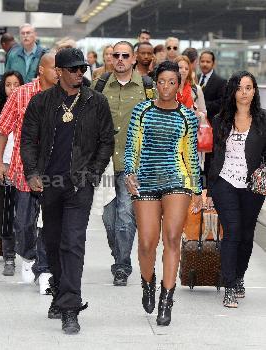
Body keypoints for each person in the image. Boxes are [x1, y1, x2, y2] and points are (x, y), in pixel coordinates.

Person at [21, 48, 114, 334]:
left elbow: (106, 141)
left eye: (82, 68)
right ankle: (60, 292)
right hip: (49, 184)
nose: (79, 73)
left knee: (73, 243)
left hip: (79, 185)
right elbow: (28, 140)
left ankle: (70, 308)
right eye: (73, 69)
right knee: (52, 242)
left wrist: (92, 174)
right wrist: (33, 173)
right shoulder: (41, 102)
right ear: (58, 71)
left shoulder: (95, 102)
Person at [124, 61, 202, 326]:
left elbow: (191, 155)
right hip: (145, 179)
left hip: (177, 179)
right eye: (161, 82)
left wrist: (198, 189)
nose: (166, 87)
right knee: (147, 242)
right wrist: (128, 173)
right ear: (154, 84)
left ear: (178, 85)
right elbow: (131, 146)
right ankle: (148, 283)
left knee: (171, 237)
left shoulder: (187, 115)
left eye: (172, 82)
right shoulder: (142, 111)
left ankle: (166, 300)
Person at [0, 53, 58, 293]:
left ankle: (44, 269)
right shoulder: (21, 94)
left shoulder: (67, 96)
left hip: (55, 171)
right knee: (22, 223)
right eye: (55, 68)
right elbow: (2, 129)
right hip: (23, 169)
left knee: (51, 223)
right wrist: (0, 163)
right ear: (41, 70)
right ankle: (29, 256)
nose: (59, 72)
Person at [92, 41, 152, 287]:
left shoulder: (147, 88)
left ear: (134, 58)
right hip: (105, 163)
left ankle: (122, 266)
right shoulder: (100, 85)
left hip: (133, 164)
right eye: (115, 55)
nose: (119, 59)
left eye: (125, 55)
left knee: (126, 216)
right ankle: (119, 256)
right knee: (109, 218)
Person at [206, 71, 266, 308]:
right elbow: (213, 157)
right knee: (232, 231)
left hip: (252, 186)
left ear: (254, 91)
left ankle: (239, 276)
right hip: (225, 182)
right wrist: (208, 189)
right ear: (232, 91)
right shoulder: (221, 119)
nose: (244, 92)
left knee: (246, 235)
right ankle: (229, 286)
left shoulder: (263, 119)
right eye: (239, 88)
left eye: (249, 87)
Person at [0, 71, 24, 276]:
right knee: (8, 212)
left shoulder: (29, 104)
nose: (12, 89)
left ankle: (28, 253)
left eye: (16, 84)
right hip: (4, 165)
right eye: (8, 84)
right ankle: (8, 256)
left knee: (27, 213)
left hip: (24, 166)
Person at [198, 50, 227, 183]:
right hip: (196, 126)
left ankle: (208, 188)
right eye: (202, 61)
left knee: (209, 158)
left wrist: (202, 107)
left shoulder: (220, 81)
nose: (205, 64)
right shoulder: (194, 78)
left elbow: (222, 102)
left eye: (208, 61)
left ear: (213, 63)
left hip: (211, 126)